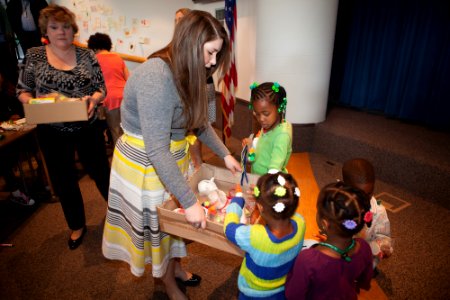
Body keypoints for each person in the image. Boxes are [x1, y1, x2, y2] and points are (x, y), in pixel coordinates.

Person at [102, 10, 241, 300]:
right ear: (192, 43)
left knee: (175, 226)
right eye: (211, 52)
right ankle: (167, 284)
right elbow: (155, 148)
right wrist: (190, 201)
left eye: (217, 54)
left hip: (171, 157)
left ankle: (175, 270)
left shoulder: (199, 73)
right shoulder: (157, 75)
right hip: (146, 161)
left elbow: (201, 123)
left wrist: (226, 154)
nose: (214, 62)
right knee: (162, 231)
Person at [16, 4, 111, 250]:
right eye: (55, 27)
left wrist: (94, 99)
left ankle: (120, 217)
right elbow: (22, 92)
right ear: (46, 29)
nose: (61, 32)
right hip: (52, 130)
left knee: (102, 173)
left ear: (73, 29)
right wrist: (37, 104)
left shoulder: (87, 55)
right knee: (64, 180)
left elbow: (102, 88)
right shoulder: (34, 55)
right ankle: (77, 225)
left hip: (87, 126)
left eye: (66, 26)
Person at [285, 182, 374, 299]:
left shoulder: (308, 259)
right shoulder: (364, 247)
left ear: (324, 224)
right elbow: (365, 282)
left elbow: (293, 296)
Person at [224, 172, 305, 299]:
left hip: (252, 294)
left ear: (260, 207)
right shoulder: (300, 222)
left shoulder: (255, 236)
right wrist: (266, 199)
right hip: (281, 290)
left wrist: (237, 200)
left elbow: (229, 229)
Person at [171, 7, 217, 172]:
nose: (178, 23)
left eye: (181, 19)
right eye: (176, 20)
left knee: (197, 127)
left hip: (204, 87)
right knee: (188, 128)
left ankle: (197, 163)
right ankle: (194, 163)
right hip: (187, 91)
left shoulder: (198, 43)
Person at [342, 158, 393, 269]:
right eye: (359, 194)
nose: (365, 199)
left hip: (364, 263)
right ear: (346, 188)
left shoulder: (379, 212)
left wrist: (384, 247)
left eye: (369, 193)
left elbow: (385, 238)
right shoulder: (339, 203)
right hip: (339, 257)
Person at [87, 32, 129, 146]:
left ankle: (118, 161)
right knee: (125, 132)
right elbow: (128, 79)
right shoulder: (118, 58)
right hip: (125, 97)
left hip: (107, 100)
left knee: (116, 133)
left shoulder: (93, 60)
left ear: (93, 47)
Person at [0, 67, 34, 206]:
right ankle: (16, 192)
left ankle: (46, 181)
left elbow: (18, 110)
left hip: (16, 132)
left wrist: (12, 116)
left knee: (33, 143)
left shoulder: (8, 90)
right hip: (6, 138)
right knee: (3, 158)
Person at [243, 82, 292, 175]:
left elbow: (274, 170)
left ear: (280, 108)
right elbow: (256, 157)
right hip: (258, 179)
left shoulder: (282, 136)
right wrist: (251, 147)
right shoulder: (267, 125)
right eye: (257, 114)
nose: (261, 119)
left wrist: (263, 186)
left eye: (266, 114)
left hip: (269, 184)